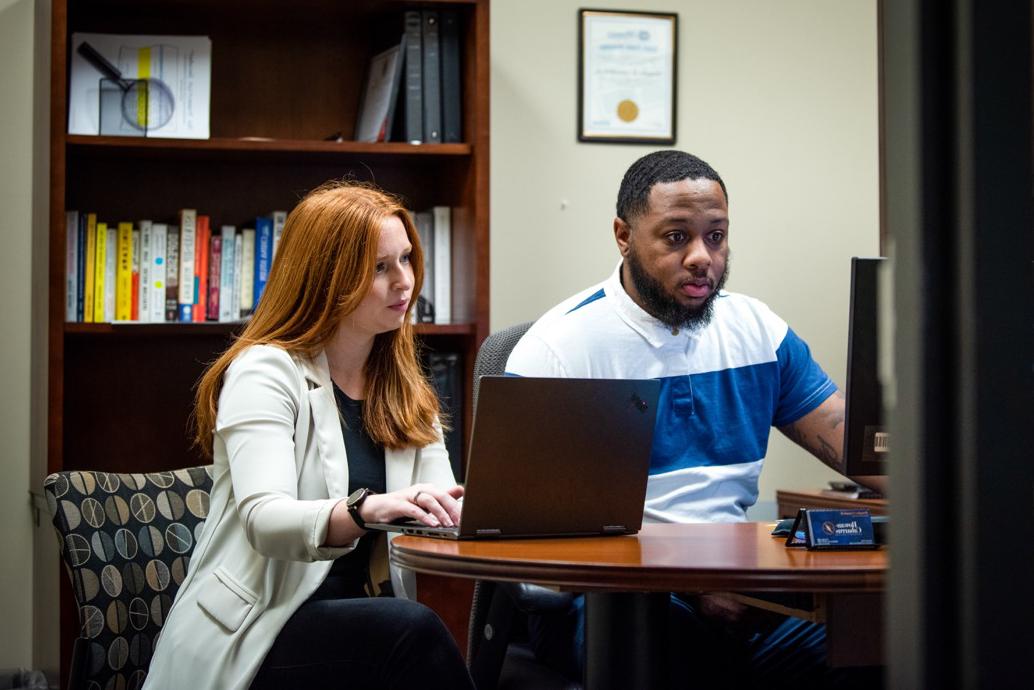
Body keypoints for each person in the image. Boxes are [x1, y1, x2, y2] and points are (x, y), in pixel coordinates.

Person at [505, 150, 883, 688]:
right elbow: (523, 525)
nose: (703, 257)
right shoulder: (561, 349)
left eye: (716, 235)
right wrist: (691, 582)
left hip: (740, 590)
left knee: (878, 640)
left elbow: (859, 446)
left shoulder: (758, 332)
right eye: (677, 237)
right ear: (623, 235)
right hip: (618, 597)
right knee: (662, 640)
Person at [143, 181, 475, 690]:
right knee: (414, 632)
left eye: (406, 259)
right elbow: (264, 520)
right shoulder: (264, 371)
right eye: (380, 267)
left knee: (421, 633)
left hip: (360, 619)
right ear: (328, 278)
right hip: (259, 630)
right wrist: (366, 509)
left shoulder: (405, 387)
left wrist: (483, 512)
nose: (404, 282)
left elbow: (436, 513)